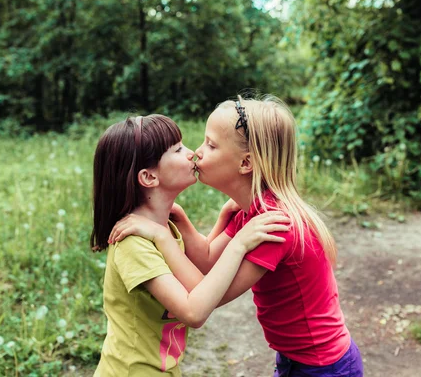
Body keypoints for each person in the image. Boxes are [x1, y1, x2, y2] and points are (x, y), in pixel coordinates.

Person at [110, 96, 364, 377]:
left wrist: (161, 236)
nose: (197, 152)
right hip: (298, 359)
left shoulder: (274, 226)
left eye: (211, 145)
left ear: (245, 163)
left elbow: (207, 294)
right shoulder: (251, 213)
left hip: (323, 366)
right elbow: (208, 261)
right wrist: (183, 221)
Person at [90, 114, 290, 377]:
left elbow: (199, 280)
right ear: (149, 177)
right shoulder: (134, 243)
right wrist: (239, 244)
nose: (191, 153)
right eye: (177, 149)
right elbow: (194, 310)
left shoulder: (165, 227)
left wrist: (222, 221)